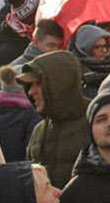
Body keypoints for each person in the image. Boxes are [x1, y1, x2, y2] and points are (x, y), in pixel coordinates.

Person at [21, 51, 91, 190]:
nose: (30, 92)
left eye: (38, 84)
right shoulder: (39, 130)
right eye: (29, 85)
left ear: (58, 83)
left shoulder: (95, 123)